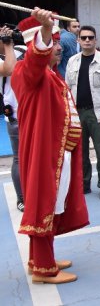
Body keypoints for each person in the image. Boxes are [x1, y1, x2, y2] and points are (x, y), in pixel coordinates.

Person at [12, 9, 89, 284]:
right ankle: (44, 271)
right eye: (54, 42)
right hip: (45, 156)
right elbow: (35, 58)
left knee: (53, 207)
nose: (59, 47)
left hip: (58, 155)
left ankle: (42, 259)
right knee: (44, 207)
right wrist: (45, 31)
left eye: (57, 41)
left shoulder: (51, 74)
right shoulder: (28, 71)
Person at [65, 26, 100, 199]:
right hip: (78, 113)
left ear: (96, 40)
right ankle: (84, 183)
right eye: (84, 37)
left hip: (98, 113)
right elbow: (67, 88)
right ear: (78, 40)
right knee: (80, 152)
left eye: (91, 37)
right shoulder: (72, 61)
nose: (87, 40)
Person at [1, 26, 22, 211]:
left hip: (33, 112)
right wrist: (8, 45)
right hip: (14, 116)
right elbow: (10, 68)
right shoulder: (4, 57)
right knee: (19, 159)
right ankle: (22, 198)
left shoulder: (22, 50)